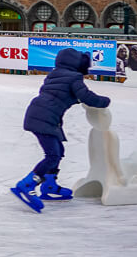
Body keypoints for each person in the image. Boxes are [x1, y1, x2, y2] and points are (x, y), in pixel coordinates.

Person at [12, 47, 111, 213]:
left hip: (40, 113)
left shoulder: (54, 74)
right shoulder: (75, 77)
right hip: (45, 117)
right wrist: (104, 101)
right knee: (52, 155)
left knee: (59, 149)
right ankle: (28, 184)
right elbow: (87, 96)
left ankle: (49, 185)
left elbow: (61, 93)